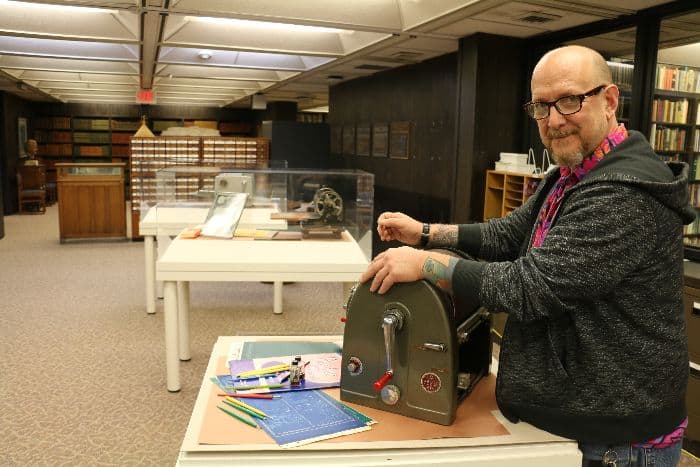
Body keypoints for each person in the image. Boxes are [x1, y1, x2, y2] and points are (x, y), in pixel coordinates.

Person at [360, 45, 693, 467]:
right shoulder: (571, 175)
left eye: (569, 101)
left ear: (609, 100)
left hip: (616, 438)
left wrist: (426, 263)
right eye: (541, 107)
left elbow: (531, 286)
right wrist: (425, 233)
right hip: (584, 417)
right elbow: (508, 233)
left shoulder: (622, 193)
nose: (553, 121)